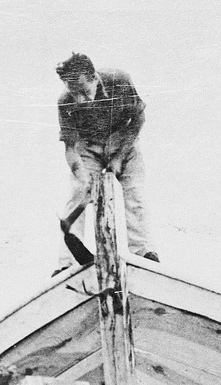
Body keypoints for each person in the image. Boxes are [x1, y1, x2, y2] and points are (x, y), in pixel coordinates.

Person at [54, 52, 158, 273]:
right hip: (89, 147)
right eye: (75, 94)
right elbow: (71, 149)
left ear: (94, 77)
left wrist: (119, 157)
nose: (80, 100)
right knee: (76, 195)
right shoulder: (64, 102)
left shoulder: (118, 80)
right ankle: (67, 264)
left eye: (84, 91)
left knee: (135, 194)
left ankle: (144, 253)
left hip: (123, 141)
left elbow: (138, 119)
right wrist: (83, 176)